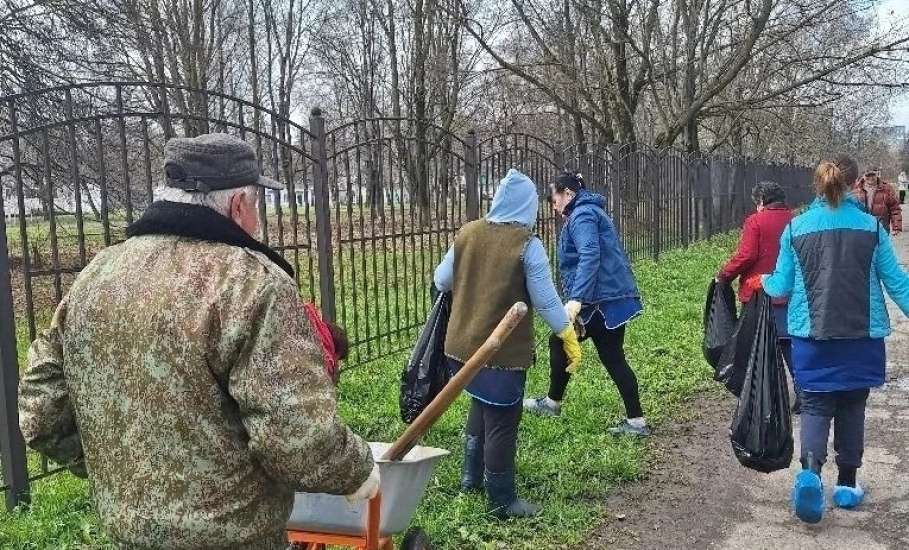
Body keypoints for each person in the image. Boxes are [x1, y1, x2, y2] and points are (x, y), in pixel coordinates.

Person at [18, 133, 377, 549]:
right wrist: (356, 469)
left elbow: (40, 409)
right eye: (257, 206)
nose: (256, 221)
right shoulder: (250, 284)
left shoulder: (96, 276)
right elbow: (297, 437)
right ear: (239, 206)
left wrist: (108, 462)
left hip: (126, 532)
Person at [755, 156, 909, 525]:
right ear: (854, 184)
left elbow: (781, 285)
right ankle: (847, 484)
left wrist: (762, 282)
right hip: (862, 337)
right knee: (853, 407)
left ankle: (810, 473)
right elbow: (898, 285)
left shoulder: (796, 228)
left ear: (818, 186)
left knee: (814, 406)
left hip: (811, 336)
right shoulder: (872, 229)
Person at [433, 168, 581, 519]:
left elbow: (441, 280)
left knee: (481, 402)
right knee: (502, 417)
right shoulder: (526, 245)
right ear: (528, 205)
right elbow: (545, 301)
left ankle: (471, 478)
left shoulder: (468, 233)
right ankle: (502, 500)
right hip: (498, 352)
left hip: (459, 348)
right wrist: (566, 332)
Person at [524, 172, 649, 437]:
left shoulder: (582, 216)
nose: (552, 203)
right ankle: (636, 422)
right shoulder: (589, 212)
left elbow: (590, 255)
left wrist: (576, 300)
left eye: (553, 196)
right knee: (612, 357)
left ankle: (552, 403)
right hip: (609, 299)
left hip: (598, 302)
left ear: (567, 193)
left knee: (561, 342)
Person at [716, 181, 797, 411]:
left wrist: (724, 275)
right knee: (788, 343)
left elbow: (747, 255)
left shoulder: (755, 222)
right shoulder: (795, 220)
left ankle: (765, 396)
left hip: (759, 294)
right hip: (789, 294)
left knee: (760, 345)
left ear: (761, 201)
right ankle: (802, 390)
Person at [852, 168, 901, 235]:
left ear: (877, 174)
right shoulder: (856, 189)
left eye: (873, 175)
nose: (870, 178)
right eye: (868, 176)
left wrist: (896, 227)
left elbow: (895, 208)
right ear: (863, 176)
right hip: (861, 228)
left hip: (881, 228)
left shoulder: (887, 188)